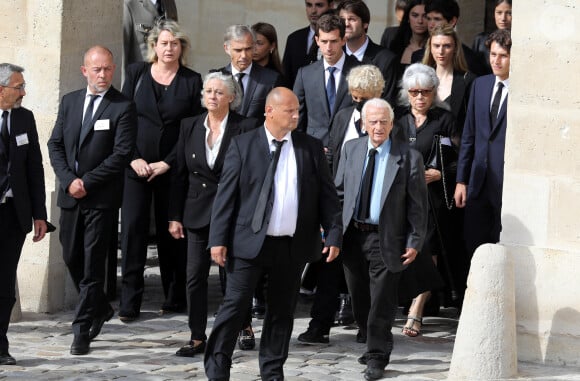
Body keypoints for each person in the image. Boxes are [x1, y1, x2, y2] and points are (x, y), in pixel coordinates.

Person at [204, 87, 342, 381]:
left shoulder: (310, 147)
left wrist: (333, 234)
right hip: (248, 244)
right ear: (269, 111)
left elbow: (327, 197)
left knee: (282, 312)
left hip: (292, 245)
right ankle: (217, 368)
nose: (296, 115)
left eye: (297, 111)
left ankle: (272, 371)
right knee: (234, 307)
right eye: (289, 111)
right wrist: (217, 239)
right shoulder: (243, 145)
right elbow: (225, 197)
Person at [47, 46, 137, 355]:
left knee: (92, 265)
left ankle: (81, 328)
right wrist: (69, 181)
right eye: (97, 69)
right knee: (72, 256)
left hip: (101, 198)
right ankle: (100, 306)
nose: (103, 75)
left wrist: (87, 181)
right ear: (85, 71)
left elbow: (122, 153)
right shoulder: (70, 101)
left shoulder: (122, 106)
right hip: (71, 196)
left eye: (108, 69)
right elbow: (55, 144)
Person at [334, 97, 427, 380]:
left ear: (391, 124)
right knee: (360, 299)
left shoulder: (408, 156)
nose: (377, 127)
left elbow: (417, 205)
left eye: (383, 122)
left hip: (386, 239)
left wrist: (414, 241)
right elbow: (339, 193)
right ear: (363, 124)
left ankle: (377, 355)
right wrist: (333, 234)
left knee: (381, 303)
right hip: (352, 238)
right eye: (372, 122)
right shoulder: (351, 149)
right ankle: (371, 337)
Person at [168, 71, 258, 358]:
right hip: (196, 211)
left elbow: (253, 175)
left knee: (231, 277)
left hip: (232, 213)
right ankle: (197, 335)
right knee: (194, 276)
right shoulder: (189, 126)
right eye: (208, 91)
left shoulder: (246, 127)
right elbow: (179, 175)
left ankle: (242, 326)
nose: (212, 96)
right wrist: (174, 215)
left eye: (219, 92)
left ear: (231, 97)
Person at [119, 20, 202, 322]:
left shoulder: (192, 81)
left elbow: (193, 129)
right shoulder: (136, 74)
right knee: (132, 232)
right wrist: (133, 158)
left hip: (172, 167)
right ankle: (130, 301)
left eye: (175, 43)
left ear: (182, 47)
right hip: (136, 167)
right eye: (164, 43)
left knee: (173, 233)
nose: (169, 48)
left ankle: (174, 295)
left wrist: (168, 161)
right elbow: (123, 120)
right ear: (154, 45)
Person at [297, 64, 385, 345]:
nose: (358, 103)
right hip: (338, 204)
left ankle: (366, 325)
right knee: (328, 264)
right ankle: (319, 325)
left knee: (363, 272)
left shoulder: (386, 120)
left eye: (364, 98)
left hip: (369, 207)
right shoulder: (343, 116)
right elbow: (332, 158)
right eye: (354, 96)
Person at [394, 63, 451, 336]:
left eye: (425, 91)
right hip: (400, 195)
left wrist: (440, 173)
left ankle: (417, 308)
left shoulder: (444, 119)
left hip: (430, 197)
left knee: (428, 249)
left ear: (434, 92)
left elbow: (457, 158)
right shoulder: (397, 118)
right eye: (414, 91)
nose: (419, 97)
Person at [0, 63, 48, 366]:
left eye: (22, 86)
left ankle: (0, 344)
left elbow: (34, 168)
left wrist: (39, 214)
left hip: (13, 215)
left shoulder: (24, 118)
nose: (23, 92)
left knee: (4, 283)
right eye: (18, 87)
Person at [454, 29, 511, 258]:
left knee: (501, 247)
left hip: (505, 187)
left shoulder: (524, 93)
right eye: (493, 54)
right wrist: (461, 180)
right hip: (477, 182)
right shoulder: (480, 85)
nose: (496, 60)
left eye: (503, 55)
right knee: (473, 245)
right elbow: (469, 135)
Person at [293, 13, 361, 147]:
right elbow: (296, 117)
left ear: (343, 40)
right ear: (317, 40)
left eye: (334, 41)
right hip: (314, 149)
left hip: (348, 148)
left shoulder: (360, 71)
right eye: (324, 41)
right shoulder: (305, 74)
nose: (328, 48)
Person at [218, 25, 283, 125]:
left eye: (248, 49)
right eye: (238, 50)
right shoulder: (217, 78)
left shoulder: (271, 79)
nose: (244, 56)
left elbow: (277, 118)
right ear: (226, 48)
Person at [337, 0, 399, 105]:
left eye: (352, 19)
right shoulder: (335, 55)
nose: (346, 24)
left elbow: (387, 103)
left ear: (365, 24)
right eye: (342, 19)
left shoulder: (386, 60)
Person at [422, 24, 476, 142]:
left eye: (447, 46)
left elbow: (471, 123)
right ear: (430, 48)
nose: (441, 51)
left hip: (454, 152)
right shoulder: (420, 79)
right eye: (436, 46)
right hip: (422, 151)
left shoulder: (467, 80)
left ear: (455, 48)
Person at [410, 0, 487, 76]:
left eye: (437, 19)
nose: (431, 25)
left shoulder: (470, 59)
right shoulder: (417, 56)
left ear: (452, 21)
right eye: (429, 19)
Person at [282, 0, 334, 88]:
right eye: (309, 5)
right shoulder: (294, 39)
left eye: (319, 5)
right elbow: (286, 78)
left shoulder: (339, 39)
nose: (313, 11)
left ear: (331, 6)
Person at [123, 0, 178, 76]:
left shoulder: (169, 3)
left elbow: (176, 41)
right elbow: (123, 53)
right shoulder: (129, 4)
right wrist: (125, 86)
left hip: (168, 78)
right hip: (142, 79)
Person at [472, 0, 512, 74]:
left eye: (509, 13)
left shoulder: (521, 42)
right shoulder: (480, 40)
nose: (503, 18)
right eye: (499, 13)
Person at [388, 0, 428, 70]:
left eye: (425, 16)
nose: (420, 21)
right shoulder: (396, 44)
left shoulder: (435, 47)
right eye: (415, 15)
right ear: (408, 18)